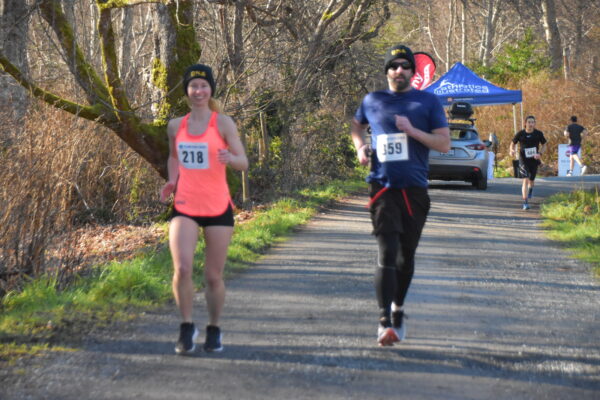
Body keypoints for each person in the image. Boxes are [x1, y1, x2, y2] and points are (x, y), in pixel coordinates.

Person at [350, 44, 450, 346]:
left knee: (406, 257)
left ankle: (398, 308)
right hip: (382, 187)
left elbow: (443, 144)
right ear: (386, 71)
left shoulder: (427, 102)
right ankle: (384, 322)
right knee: (387, 252)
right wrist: (360, 147)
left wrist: (413, 132)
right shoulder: (373, 100)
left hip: (415, 189)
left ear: (412, 71)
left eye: (405, 66)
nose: (399, 71)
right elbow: (357, 125)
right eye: (393, 66)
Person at [160, 64, 248, 355]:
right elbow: (173, 157)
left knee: (213, 276)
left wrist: (229, 157)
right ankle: (186, 327)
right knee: (182, 268)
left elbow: (243, 162)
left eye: (204, 86)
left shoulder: (222, 123)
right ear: (186, 91)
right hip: (185, 204)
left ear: (211, 90)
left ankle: (214, 327)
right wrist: (172, 180)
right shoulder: (176, 125)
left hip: (217, 205)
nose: (199, 91)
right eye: (193, 85)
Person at [509, 115, 547, 210]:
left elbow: (544, 145)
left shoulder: (538, 133)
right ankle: (525, 202)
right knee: (525, 179)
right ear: (525, 123)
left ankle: (531, 189)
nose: (530, 124)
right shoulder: (520, 133)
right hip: (523, 160)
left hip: (534, 160)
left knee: (531, 180)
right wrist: (511, 150)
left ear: (534, 124)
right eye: (529, 122)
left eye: (532, 122)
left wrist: (540, 154)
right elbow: (512, 143)